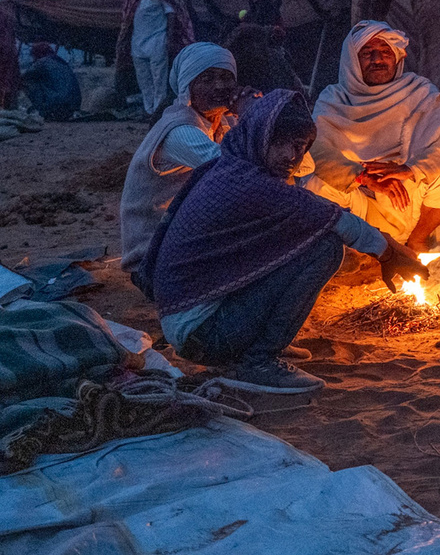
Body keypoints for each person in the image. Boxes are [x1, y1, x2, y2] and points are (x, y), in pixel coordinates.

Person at [145, 90, 424, 391]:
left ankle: (257, 341)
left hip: (193, 322)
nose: (292, 156)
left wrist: (387, 246)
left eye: (300, 147)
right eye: (282, 143)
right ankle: (258, 360)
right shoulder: (250, 183)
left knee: (301, 239)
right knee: (325, 248)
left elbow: (313, 212)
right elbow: (332, 218)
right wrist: (387, 253)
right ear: (261, 136)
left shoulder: (230, 167)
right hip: (204, 334)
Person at [306, 21, 440, 251]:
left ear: (397, 58)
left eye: (385, 52)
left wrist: (412, 169)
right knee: (314, 183)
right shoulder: (333, 99)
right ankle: (351, 246)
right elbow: (315, 148)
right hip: (360, 200)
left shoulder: (419, 91)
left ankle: (418, 240)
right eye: (367, 53)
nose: (377, 59)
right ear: (352, 61)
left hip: (407, 199)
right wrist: (361, 176)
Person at [120, 42, 256, 278]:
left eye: (226, 77)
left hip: (186, 237)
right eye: (207, 79)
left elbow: (299, 163)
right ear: (187, 86)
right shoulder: (180, 131)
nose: (219, 86)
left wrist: (254, 113)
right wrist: (252, 113)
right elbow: (239, 172)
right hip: (153, 257)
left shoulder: (222, 121)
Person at [116, 0, 194, 116]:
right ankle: (148, 109)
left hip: (158, 40)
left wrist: (170, 38)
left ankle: (158, 111)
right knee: (143, 79)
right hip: (137, 42)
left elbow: (172, 14)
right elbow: (127, 16)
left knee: (159, 78)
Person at [20, 43, 80, 121]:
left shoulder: (41, 63)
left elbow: (22, 78)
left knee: (26, 82)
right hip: (74, 104)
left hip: (57, 104)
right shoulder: (61, 61)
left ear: (38, 54)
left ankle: (43, 110)